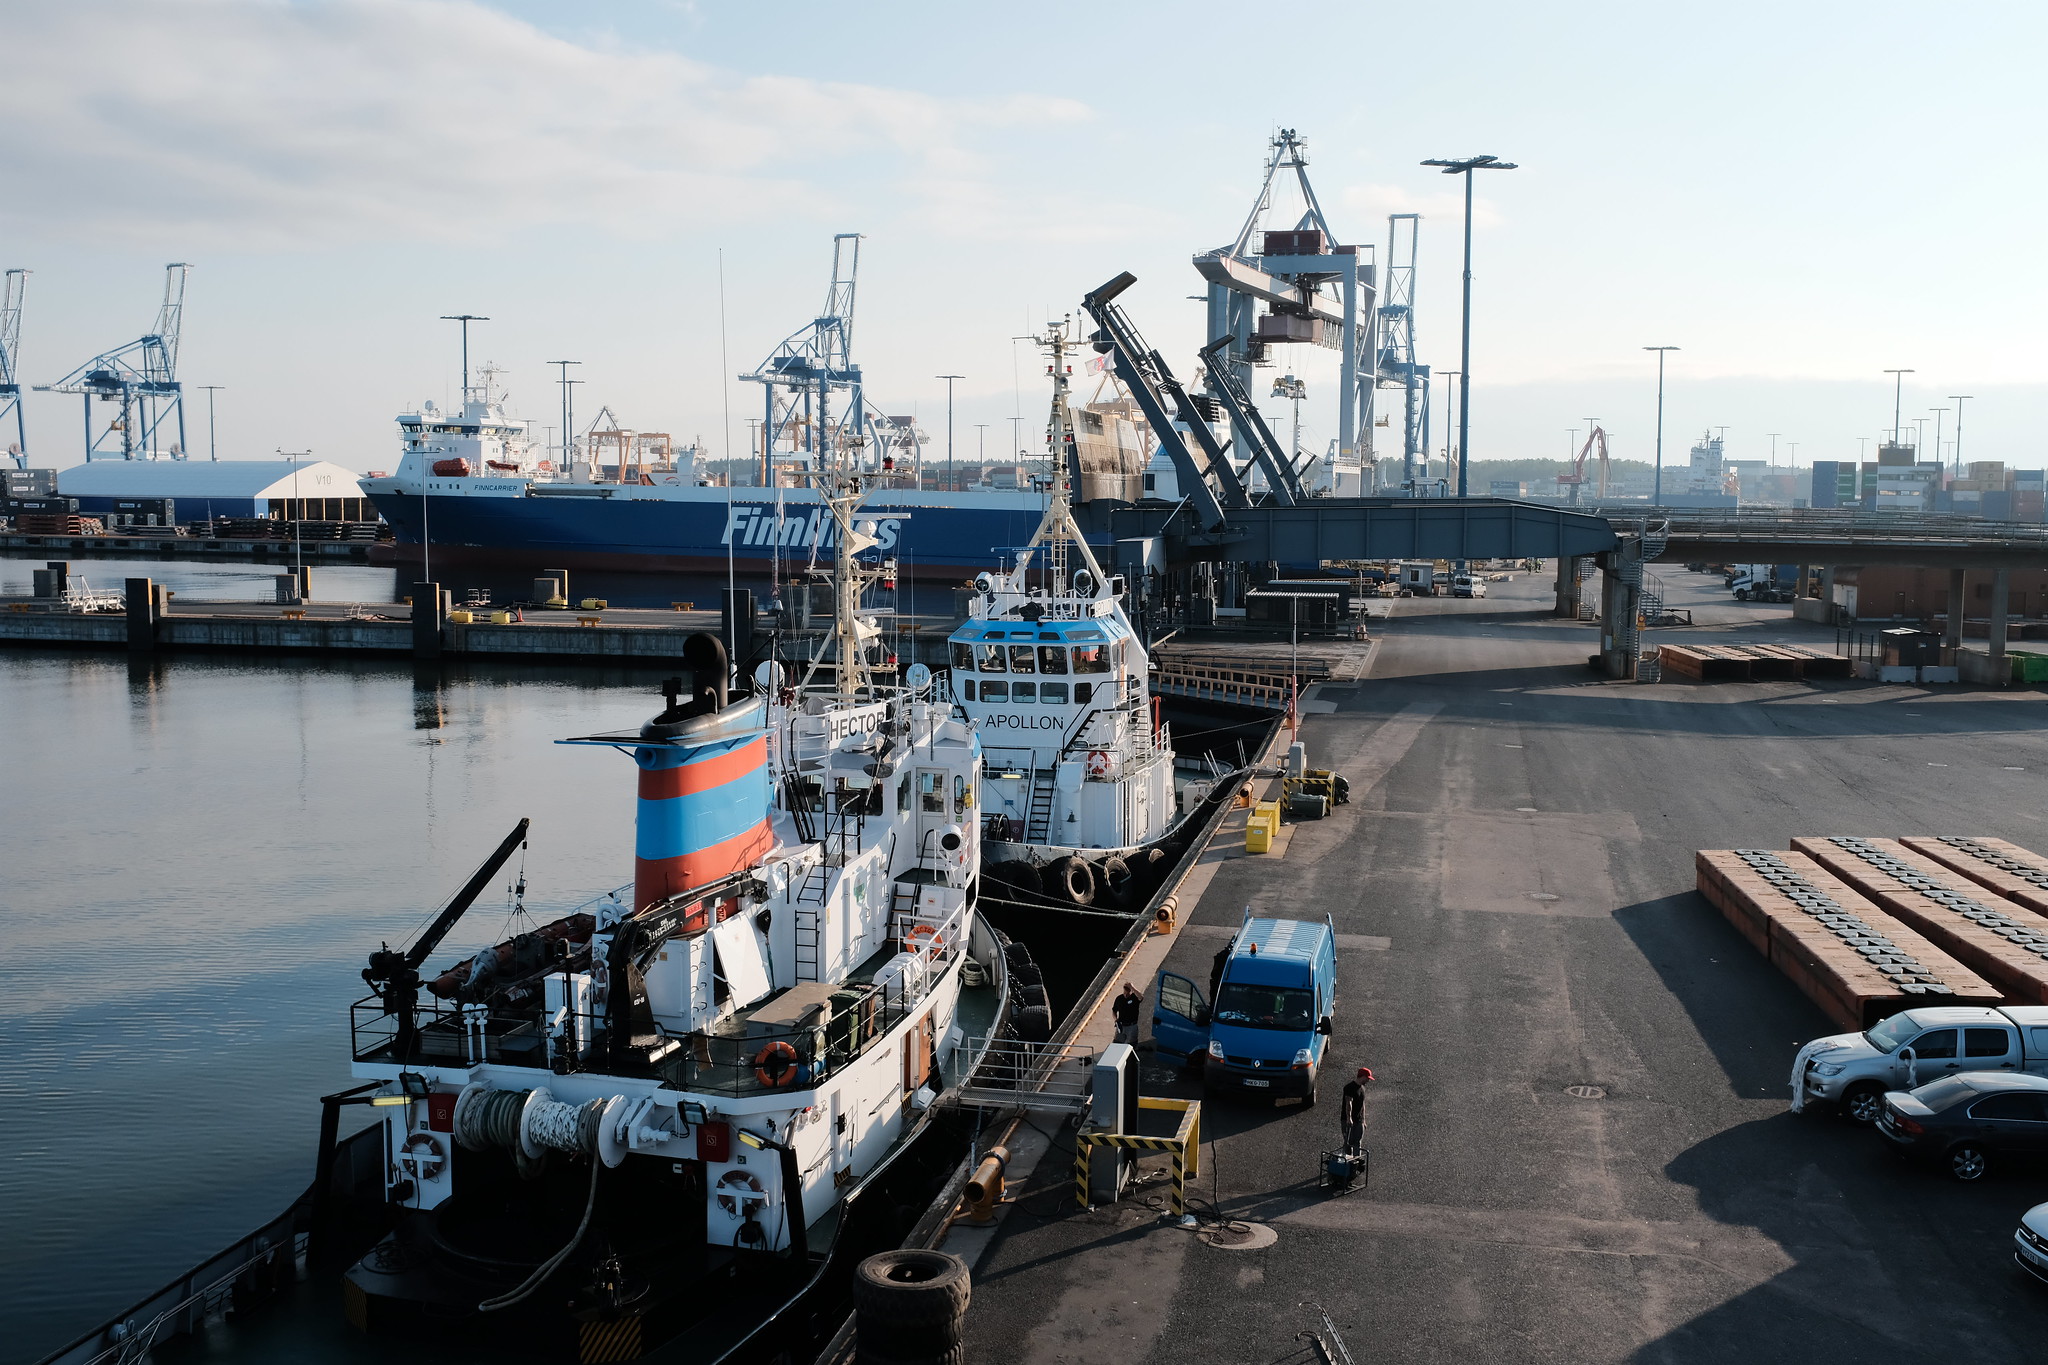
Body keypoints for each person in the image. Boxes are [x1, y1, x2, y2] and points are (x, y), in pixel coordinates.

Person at [1340, 1067, 1375, 1156]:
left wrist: (1363, 1120)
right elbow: (1349, 1103)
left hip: (1359, 1121)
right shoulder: (1349, 1088)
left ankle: (1356, 1162)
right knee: (1348, 1143)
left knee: (1357, 1142)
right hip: (1348, 1121)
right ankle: (1347, 1162)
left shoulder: (1362, 1088)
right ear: (1362, 1076)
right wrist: (1349, 1118)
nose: (1368, 1080)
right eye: (1367, 1078)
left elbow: (1362, 1104)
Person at [1112, 983, 1143, 1047]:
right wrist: (1116, 1020)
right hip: (1121, 1026)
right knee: (1117, 1044)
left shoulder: (1135, 998)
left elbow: (1141, 997)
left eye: (1128, 993)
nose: (1126, 995)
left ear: (1131, 991)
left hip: (1132, 1026)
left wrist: (1132, 987)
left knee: (1131, 1045)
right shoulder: (1119, 999)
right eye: (1125, 993)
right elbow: (1114, 1010)